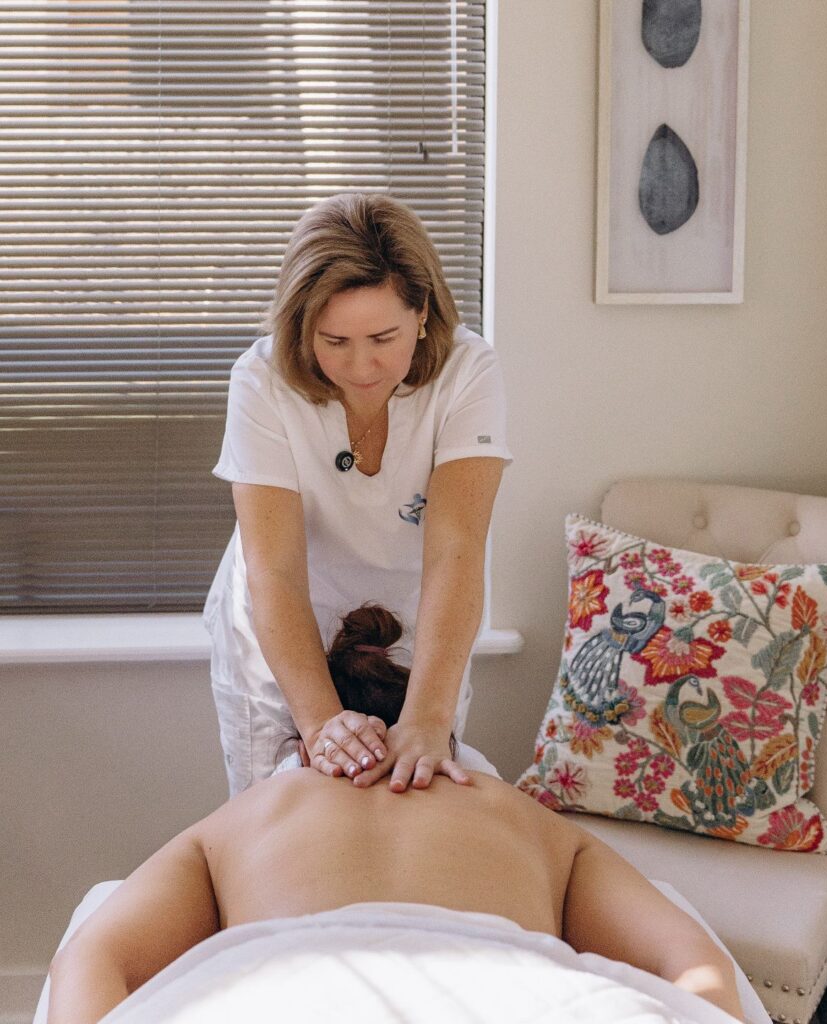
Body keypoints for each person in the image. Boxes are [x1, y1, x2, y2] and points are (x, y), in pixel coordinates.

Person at [47, 608, 747, 1024]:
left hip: (286, 993)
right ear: (446, 742)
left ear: (304, 748)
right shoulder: (523, 815)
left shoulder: (249, 815)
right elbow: (689, 960)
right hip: (512, 993)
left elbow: (94, 957)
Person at [203, 192, 511, 796]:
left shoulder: (467, 372)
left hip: (415, 621)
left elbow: (456, 552)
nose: (361, 366)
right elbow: (275, 570)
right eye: (334, 341)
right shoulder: (262, 380)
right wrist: (320, 723)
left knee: (414, 797)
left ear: (422, 312)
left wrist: (427, 719)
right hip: (285, 627)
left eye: (382, 337)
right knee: (287, 809)